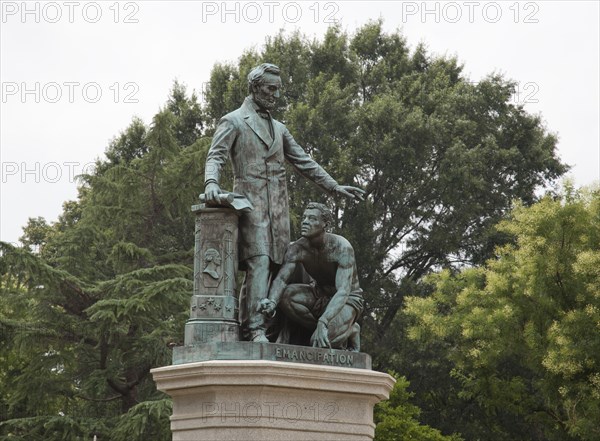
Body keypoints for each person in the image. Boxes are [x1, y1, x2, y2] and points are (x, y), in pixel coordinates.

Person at [204, 63, 364, 342]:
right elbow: (215, 155)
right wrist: (211, 184)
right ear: (255, 87)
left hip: (279, 209)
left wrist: (334, 186)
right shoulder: (234, 120)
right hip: (249, 205)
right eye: (271, 88)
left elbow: (304, 161)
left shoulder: (279, 129)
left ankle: (268, 328)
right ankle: (254, 328)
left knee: (279, 266)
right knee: (260, 261)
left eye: (278, 89)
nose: (276, 95)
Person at [258, 202, 363, 351]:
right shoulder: (297, 248)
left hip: (347, 299)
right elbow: (282, 280)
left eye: (312, 218)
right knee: (286, 296)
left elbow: (343, 291)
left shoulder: (342, 248)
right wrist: (272, 302)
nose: (305, 222)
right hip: (318, 295)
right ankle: (323, 328)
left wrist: (324, 321)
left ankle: (351, 330)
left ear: (324, 224)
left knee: (318, 343)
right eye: (304, 217)